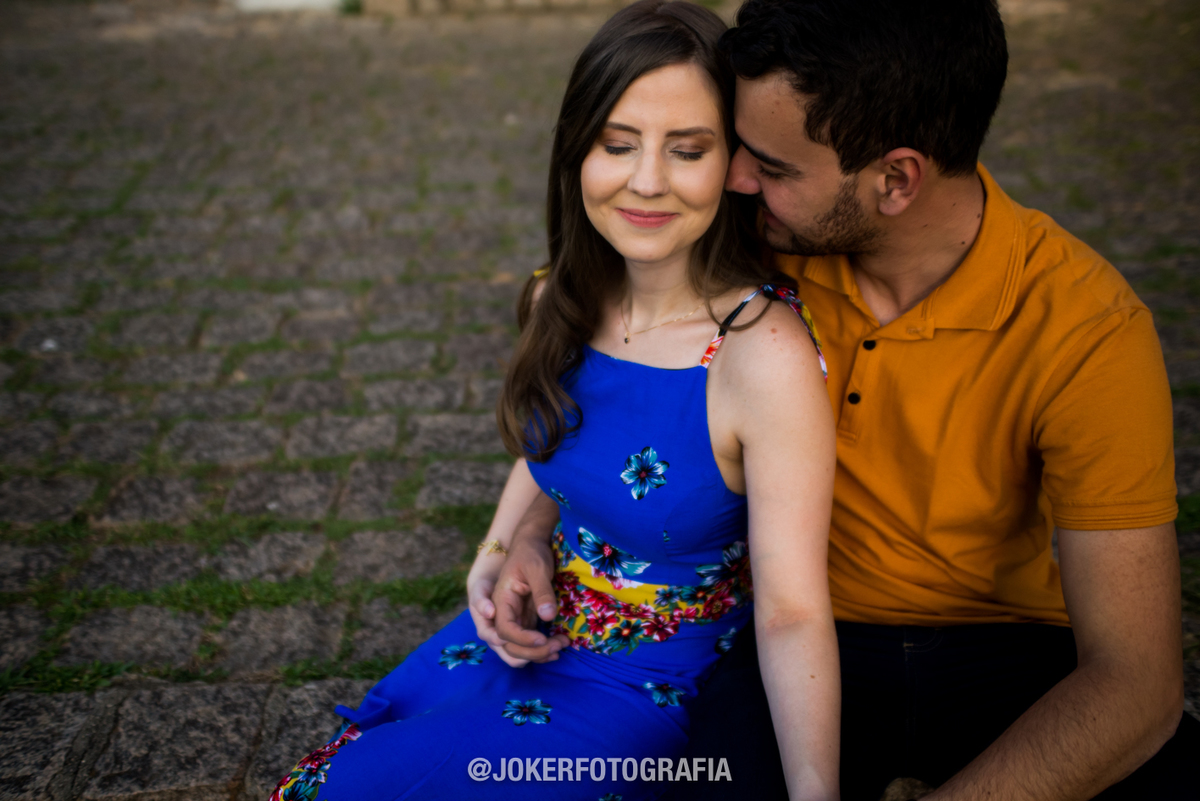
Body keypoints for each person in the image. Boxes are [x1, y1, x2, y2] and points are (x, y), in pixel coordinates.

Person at [484, 0, 1200, 799]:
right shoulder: (744, 248)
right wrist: (537, 522)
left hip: (1004, 649)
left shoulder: (1087, 327)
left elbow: (1137, 684)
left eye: (776, 167)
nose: (739, 179)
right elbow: (620, 373)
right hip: (779, 642)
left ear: (896, 179)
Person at [269, 2, 840, 800]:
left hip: (646, 689)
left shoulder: (759, 355)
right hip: (530, 636)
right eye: (617, 144)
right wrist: (502, 551)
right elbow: (555, 444)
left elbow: (792, 614)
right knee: (342, 773)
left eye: (688, 149)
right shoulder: (560, 300)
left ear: (734, 165)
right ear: (577, 150)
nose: (646, 180)